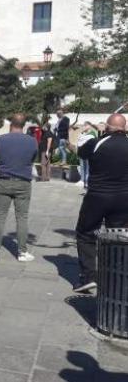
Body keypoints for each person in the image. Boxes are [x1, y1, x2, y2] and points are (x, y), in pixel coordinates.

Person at [73, 114, 128, 293]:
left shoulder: (97, 143)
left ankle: (89, 276)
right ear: (125, 128)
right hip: (123, 198)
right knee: (117, 235)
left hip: (98, 196)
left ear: (108, 127)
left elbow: (81, 152)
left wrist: (100, 133)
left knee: (85, 233)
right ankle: (115, 276)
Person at [0, 114, 38, 262]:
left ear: (11, 124)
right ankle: (22, 252)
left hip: (4, 180)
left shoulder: (0, 140)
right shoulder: (32, 141)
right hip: (23, 182)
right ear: (23, 125)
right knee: (22, 217)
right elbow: (32, 159)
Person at [76, 121, 98, 188]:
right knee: (83, 168)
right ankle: (82, 181)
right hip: (82, 153)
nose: (83, 127)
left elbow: (92, 143)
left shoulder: (92, 134)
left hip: (89, 154)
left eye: (85, 125)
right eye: (83, 126)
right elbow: (79, 142)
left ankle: (87, 182)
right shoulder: (83, 134)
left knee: (88, 168)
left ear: (89, 126)